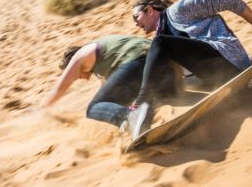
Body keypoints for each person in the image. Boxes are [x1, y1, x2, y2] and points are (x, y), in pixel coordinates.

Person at [130, 0, 252, 137]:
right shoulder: (163, 38)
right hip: (214, 79)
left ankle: (139, 104)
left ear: (150, 10)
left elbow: (232, 0)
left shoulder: (180, 9)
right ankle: (143, 123)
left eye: (136, 17)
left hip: (227, 64)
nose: (135, 23)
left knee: (160, 43)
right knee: (161, 81)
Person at [42, 35, 178, 136]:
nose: (80, 78)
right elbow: (108, 95)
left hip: (140, 63)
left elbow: (58, 89)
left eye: (76, 75)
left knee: (93, 109)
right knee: (106, 104)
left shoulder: (80, 55)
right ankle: (146, 117)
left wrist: (42, 110)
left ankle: (132, 118)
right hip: (166, 70)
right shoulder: (106, 58)